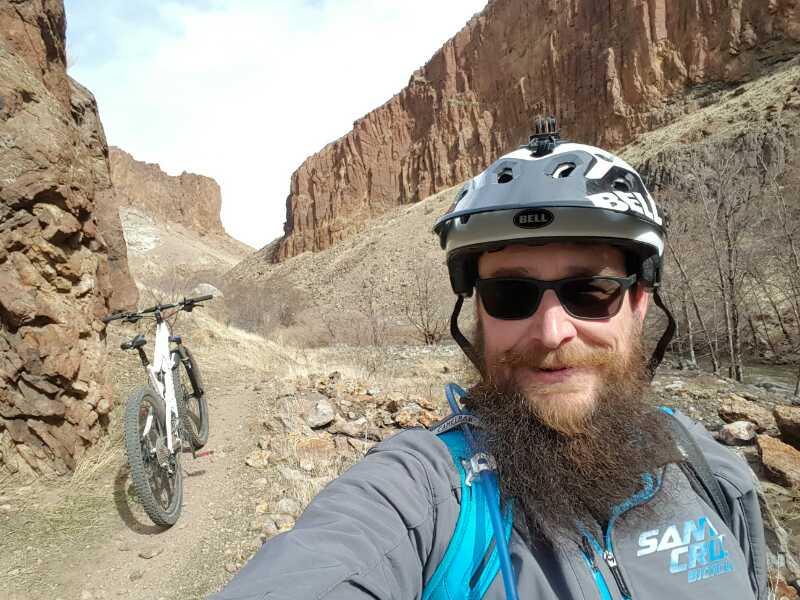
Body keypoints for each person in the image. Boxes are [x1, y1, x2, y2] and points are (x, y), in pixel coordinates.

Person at [211, 120, 769, 600]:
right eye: (511, 296)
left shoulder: (710, 472)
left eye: (591, 291)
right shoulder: (425, 492)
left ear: (639, 304)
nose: (552, 331)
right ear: (479, 315)